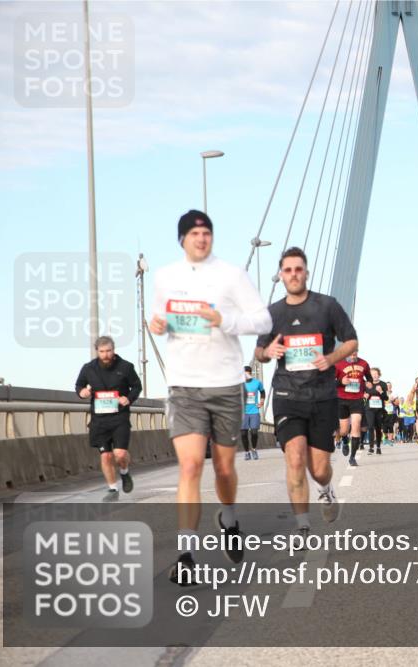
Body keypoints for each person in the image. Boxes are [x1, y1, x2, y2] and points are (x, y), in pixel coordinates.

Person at [150, 209, 272, 585]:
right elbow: (160, 317)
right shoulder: (165, 276)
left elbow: (263, 321)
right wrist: (156, 324)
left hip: (224, 385)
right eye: (194, 233)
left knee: (223, 468)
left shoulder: (231, 275)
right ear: (182, 239)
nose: (201, 238)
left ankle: (229, 518)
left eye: (206, 232)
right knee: (189, 468)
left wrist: (227, 321)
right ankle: (185, 555)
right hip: (184, 386)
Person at [255, 247, 357, 539]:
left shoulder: (327, 306)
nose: (294, 275)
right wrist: (267, 352)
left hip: (323, 397)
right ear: (281, 275)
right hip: (288, 396)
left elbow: (351, 341)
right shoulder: (273, 313)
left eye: (298, 269)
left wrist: (332, 358)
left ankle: (325, 489)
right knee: (295, 458)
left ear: (306, 272)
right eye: (288, 270)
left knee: (319, 469)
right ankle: (301, 524)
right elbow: (259, 352)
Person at [74, 335, 142, 502]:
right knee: (105, 456)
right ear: (97, 351)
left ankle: (125, 473)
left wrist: (129, 398)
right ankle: (112, 489)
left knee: (119, 454)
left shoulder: (125, 367)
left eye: (108, 351)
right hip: (99, 419)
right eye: (102, 351)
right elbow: (79, 385)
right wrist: (82, 392)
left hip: (119, 417)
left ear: (114, 350)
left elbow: (137, 386)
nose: (105, 355)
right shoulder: (88, 368)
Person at [336, 352, 372, 465]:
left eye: (355, 354)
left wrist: (368, 384)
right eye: (350, 354)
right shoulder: (337, 364)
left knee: (356, 424)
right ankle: (345, 440)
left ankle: (352, 457)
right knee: (344, 430)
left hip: (357, 399)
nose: (353, 357)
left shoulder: (364, 363)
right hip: (342, 400)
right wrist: (341, 382)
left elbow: (369, 378)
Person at [241, 366, 265, 461]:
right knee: (243, 434)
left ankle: (254, 450)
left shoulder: (257, 383)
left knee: (254, 432)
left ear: (250, 373)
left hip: (254, 410)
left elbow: (262, 392)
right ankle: (247, 452)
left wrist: (262, 401)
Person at [364, 368, 388, 454]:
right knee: (370, 426)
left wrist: (381, 391)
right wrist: (364, 396)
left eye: (375, 374)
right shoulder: (367, 384)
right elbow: (362, 395)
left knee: (378, 428)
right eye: (372, 374)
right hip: (369, 409)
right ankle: (371, 447)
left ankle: (378, 446)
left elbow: (386, 398)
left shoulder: (383, 384)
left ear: (379, 374)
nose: (374, 375)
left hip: (379, 409)